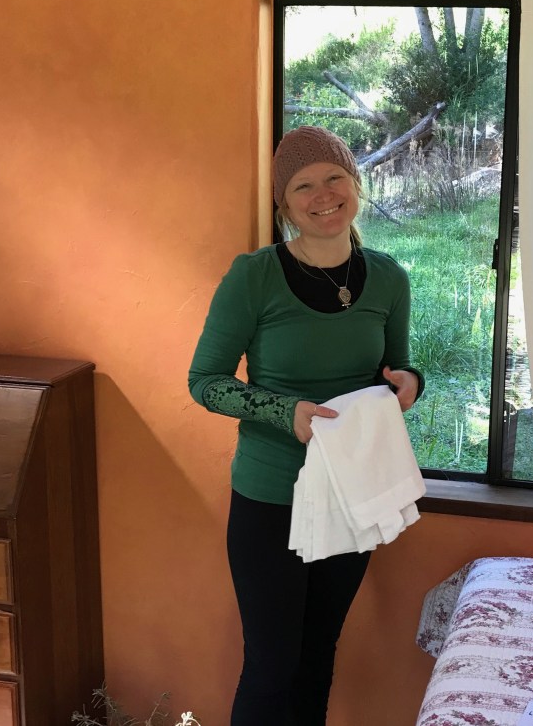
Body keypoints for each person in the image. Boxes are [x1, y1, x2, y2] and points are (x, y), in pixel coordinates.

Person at [188, 125, 423, 725]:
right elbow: (205, 381)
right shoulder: (255, 276)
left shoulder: (389, 278)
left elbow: (395, 367)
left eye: (335, 177)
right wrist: (282, 412)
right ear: (284, 204)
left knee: (318, 658)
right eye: (303, 186)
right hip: (273, 498)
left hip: (352, 494)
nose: (323, 195)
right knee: (272, 668)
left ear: (356, 184)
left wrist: (410, 383)